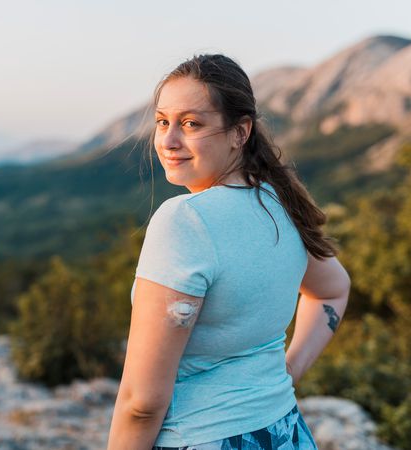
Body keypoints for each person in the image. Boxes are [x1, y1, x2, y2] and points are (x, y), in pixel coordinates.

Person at [106, 54, 351, 450]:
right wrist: (288, 373)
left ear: (240, 132)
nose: (168, 141)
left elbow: (142, 403)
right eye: (163, 122)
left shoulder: (184, 220)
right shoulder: (281, 201)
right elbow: (333, 290)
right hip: (285, 432)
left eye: (191, 124)